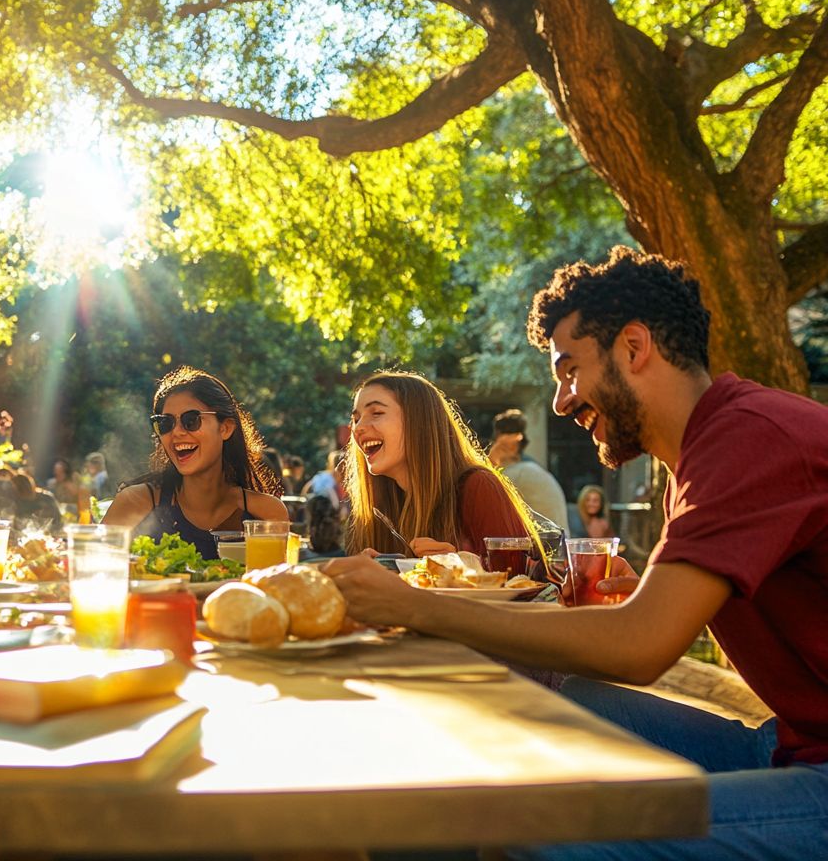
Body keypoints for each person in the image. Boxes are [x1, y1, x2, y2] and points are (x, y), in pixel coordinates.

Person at [326, 247, 828, 858]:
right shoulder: (697, 461)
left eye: (568, 369)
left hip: (817, 774)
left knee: (539, 827)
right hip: (788, 741)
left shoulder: (747, 437)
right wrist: (642, 595)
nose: (561, 400)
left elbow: (641, 647)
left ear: (634, 348)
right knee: (556, 704)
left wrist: (414, 605)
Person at [344, 372, 541, 561]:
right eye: (355, 418)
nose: (358, 428)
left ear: (420, 421)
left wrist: (460, 566)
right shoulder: (375, 510)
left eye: (376, 413)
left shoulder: (477, 486)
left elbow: (529, 581)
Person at [101, 366, 287, 559]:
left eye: (191, 420)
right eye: (165, 423)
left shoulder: (266, 514)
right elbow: (93, 571)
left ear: (225, 428)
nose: (177, 432)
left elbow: (272, 584)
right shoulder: (135, 503)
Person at [489, 408, 571, 535]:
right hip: (557, 545)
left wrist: (491, 460)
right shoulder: (532, 468)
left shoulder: (515, 474)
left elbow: (487, 502)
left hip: (546, 549)